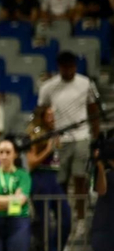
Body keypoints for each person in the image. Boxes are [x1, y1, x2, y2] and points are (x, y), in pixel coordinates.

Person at [37, 52, 100, 227]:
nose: (69, 70)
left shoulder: (85, 83)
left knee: (80, 178)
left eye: (72, 67)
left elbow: (93, 109)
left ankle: (80, 219)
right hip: (60, 138)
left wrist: (95, 133)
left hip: (81, 135)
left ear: (75, 66)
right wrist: (48, 130)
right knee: (61, 181)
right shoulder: (48, 87)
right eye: (65, 67)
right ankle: (63, 219)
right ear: (59, 67)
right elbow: (41, 111)